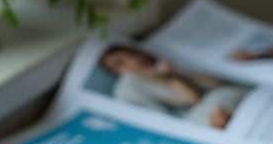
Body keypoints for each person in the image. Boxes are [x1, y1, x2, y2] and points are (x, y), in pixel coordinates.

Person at [99, 45, 246, 130]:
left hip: (216, 97)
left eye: (131, 54)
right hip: (186, 123)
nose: (133, 60)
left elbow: (217, 84)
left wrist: (176, 74)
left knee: (227, 95)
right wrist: (168, 78)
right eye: (120, 63)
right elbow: (191, 101)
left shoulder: (162, 61)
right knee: (217, 109)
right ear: (116, 72)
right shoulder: (128, 87)